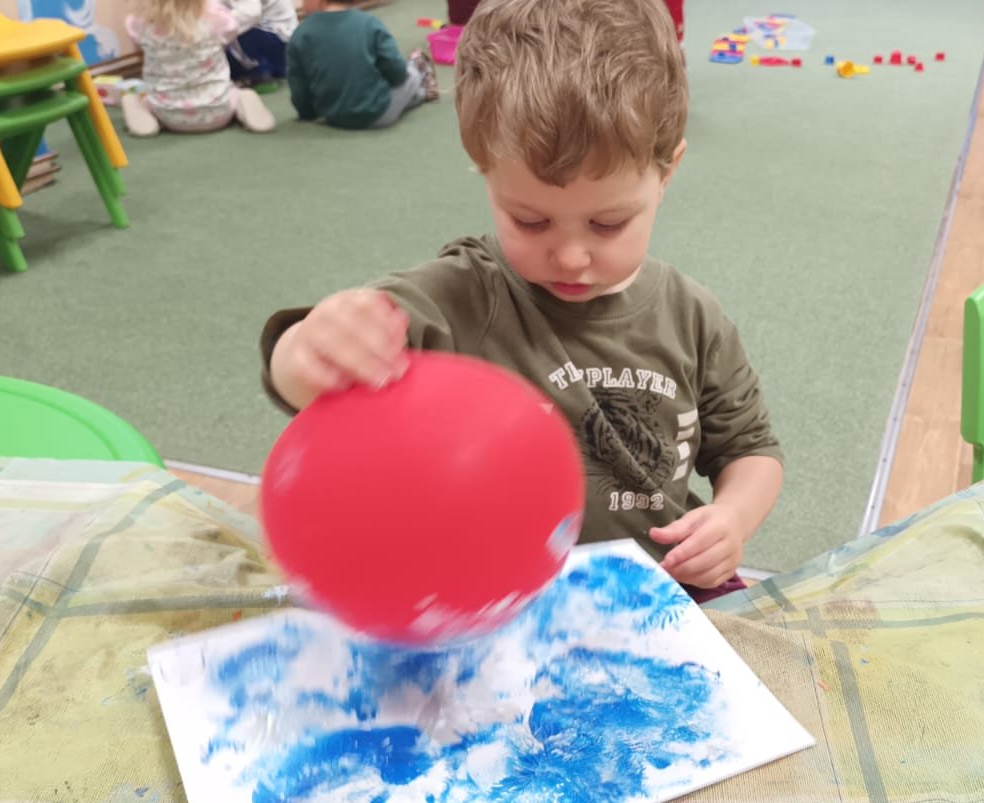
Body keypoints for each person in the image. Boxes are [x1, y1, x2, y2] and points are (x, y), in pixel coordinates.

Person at [259, 0, 782, 600]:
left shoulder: (693, 317)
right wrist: (311, 348)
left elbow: (752, 450)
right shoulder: (462, 292)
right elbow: (304, 375)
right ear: (484, 170)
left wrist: (732, 518)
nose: (571, 257)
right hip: (495, 600)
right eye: (530, 221)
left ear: (667, 173)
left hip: (664, 586)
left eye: (607, 223)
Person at [124, 0, 277, 136]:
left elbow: (137, 41)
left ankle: (141, 111)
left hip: (167, 114)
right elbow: (241, 22)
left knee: (139, 98)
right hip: (218, 110)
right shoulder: (215, 17)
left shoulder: (138, 23)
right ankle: (242, 103)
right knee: (241, 93)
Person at [286, 0, 439, 130]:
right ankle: (419, 82)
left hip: (333, 116)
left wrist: (307, 114)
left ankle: (418, 93)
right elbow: (397, 73)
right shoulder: (369, 24)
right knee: (411, 75)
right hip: (379, 113)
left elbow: (298, 86)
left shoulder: (301, 33)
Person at [225, 0, 299, 88]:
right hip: (282, 43)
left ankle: (261, 73)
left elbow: (251, 13)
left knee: (229, 30)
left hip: (281, 42)